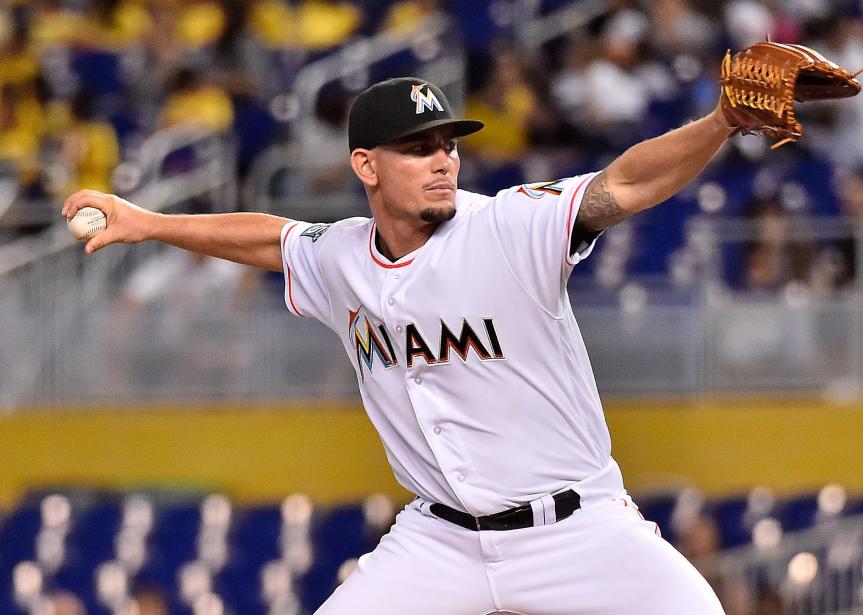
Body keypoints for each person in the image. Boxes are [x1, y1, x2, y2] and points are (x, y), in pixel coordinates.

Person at [63, 75, 736, 613]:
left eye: (448, 145)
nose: (443, 161)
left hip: (575, 527)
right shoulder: (343, 257)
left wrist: (721, 123)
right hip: (439, 540)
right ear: (366, 165)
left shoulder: (507, 226)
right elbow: (270, 236)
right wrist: (148, 222)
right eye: (418, 149)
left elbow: (623, 184)